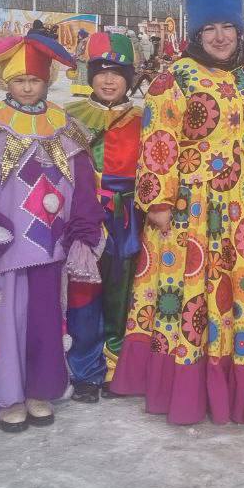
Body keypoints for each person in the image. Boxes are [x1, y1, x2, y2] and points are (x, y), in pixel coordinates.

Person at [109, 0, 244, 424]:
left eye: (226, 26)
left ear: (239, 28)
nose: (218, 36)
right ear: (196, 33)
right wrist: (158, 199)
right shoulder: (174, 77)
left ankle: (239, 386)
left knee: (243, 292)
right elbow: (159, 139)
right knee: (190, 294)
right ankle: (186, 388)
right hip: (189, 209)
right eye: (208, 28)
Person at [0, 32, 103, 432]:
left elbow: (85, 181)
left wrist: (83, 227)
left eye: (35, 79)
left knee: (46, 322)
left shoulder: (67, 128)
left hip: (50, 246)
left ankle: (39, 390)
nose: (28, 87)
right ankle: (6, 395)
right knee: (4, 321)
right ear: (5, 82)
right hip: (5, 248)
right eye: (20, 80)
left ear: (47, 80)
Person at [65, 32, 144, 401]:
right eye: (101, 72)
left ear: (131, 77)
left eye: (117, 72)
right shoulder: (69, 118)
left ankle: (116, 364)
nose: (108, 80)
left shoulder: (144, 119)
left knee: (121, 293)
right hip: (83, 217)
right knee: (83, 293)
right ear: (89, 75)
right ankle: (84, 368)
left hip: (127, 217)